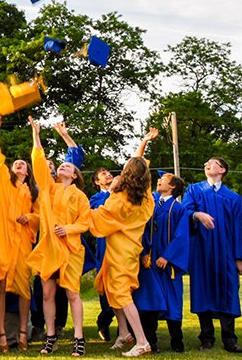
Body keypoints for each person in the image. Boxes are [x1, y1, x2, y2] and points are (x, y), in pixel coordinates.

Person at [88, 131, 158, 357]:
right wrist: (144, 143)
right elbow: (139, 164)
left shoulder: (120, 197)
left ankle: (141, 341)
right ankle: (124, 333)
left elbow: (101, 216)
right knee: (109, 286)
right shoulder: (145, 194)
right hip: (128, 248)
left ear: (125, 174)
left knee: (122, 293)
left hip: (120, 250)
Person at [26, 117, 90, 358]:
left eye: (67, 166)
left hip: (71, 249)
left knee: (73, 293)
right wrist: (36, 134)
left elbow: (85, 222)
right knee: (47, 293)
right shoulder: (48, 189)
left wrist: (68, 229)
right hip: (49, 249)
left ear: (74, 176)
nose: (62, 166)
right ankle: (50, 335)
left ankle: (79, 338)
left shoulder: (80, 197)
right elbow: (39, 161)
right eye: (61, 165)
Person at [184, 157, 242, 353]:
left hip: (226, 252)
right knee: (203, 291)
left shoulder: (233, 197)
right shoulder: (194, 190)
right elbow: (184, 211)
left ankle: (229, 338)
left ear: (222, 170)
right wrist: (197, 215)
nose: (206, 165)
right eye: (206, 163)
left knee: (228, 292)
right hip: (202, 251)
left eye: (212, 163)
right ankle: (206, 337)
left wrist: (239, 257)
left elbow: (238, 229)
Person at [0, 114, 39, 352]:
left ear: (27, 172)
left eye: (23, 163)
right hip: (1, 240)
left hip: (21, 243)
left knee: (24, 288)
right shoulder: (1, 183)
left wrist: (28, 217)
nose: (19, 163)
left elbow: (41, 218)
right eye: (15, 162)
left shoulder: (31, 193)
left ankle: (21, 333)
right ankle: (0, 335)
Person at [136, 172, 189, 354]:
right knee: (148, 301)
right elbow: (140, 229)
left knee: (172, 301)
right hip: (149, 263)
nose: (158, 181)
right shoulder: (150, 204)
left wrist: (167, 256)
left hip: (167, 266)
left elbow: (181, 236)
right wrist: (144, 252)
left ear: (173, 186)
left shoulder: (179, 208)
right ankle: (151, 341)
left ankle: (177, 341)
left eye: (163, 179)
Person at [88, 166, 116, 342]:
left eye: (109, 173)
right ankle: (104, 320)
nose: (108, 175)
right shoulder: (96, 199)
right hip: (105, 246)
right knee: (106, 290)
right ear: (97, 182)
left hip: (124, 245)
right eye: (103, 174)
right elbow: (99, 216)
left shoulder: (122, 194)